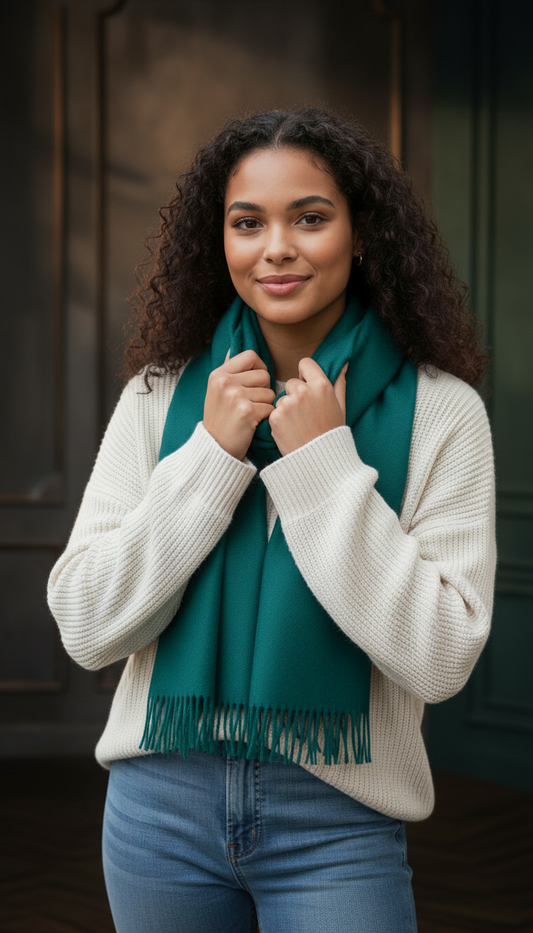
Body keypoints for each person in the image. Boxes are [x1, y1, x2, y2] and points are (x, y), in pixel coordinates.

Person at [47, 108, 496, 933]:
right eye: (246, 222)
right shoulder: (158, 397)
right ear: (218, 241)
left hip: (340, 813)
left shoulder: (443, 412)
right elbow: (86, 626)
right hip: (158, 810)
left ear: (361, 235)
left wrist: (324, 468)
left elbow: (438, 659)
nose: (275, 247)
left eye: (311, 218)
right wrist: (212, 458)